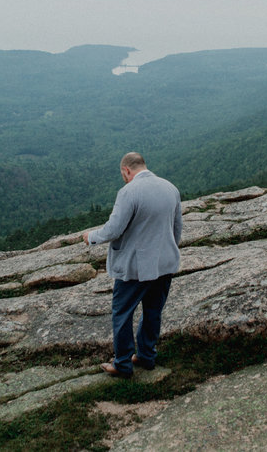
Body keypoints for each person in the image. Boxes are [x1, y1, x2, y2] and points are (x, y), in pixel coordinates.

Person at [84, 152, 183, 377]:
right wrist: (169, 250)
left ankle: (122, 364)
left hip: (136, 268)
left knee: (122, 313)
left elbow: (114, 229)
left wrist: (92, 236)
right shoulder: (170, 188)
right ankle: (147, 356)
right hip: (165, 263)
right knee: (152, 312)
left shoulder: (129, 192)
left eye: (123, 174)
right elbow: (177, 227)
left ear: (126, 170)